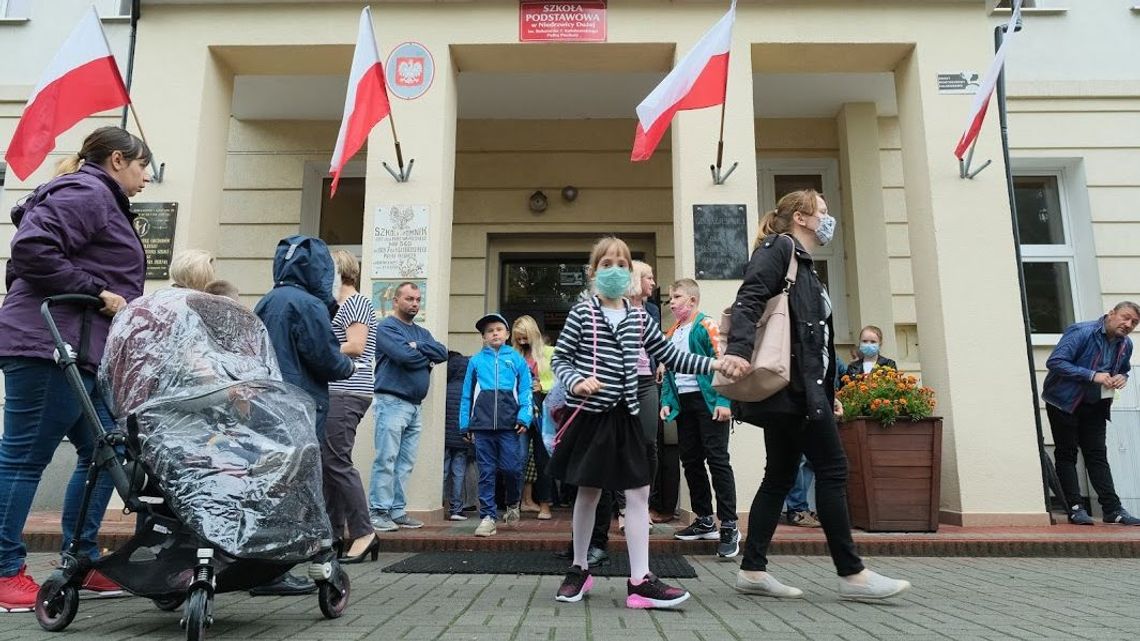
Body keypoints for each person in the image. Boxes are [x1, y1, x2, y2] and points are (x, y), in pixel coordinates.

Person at [723, 189, 910, 601]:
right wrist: (737, 351)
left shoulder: (806, 267)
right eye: (822, 212)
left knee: (779, 475)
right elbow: (749, 300)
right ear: (803, 217)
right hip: (793, 393)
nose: (828, 219)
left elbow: (817, 342)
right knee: (833, 469)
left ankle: (753, 570)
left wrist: (829, 390)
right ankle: (852, 574)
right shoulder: (780, 249)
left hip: (803, 391)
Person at [0, 126, 150, 611]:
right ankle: (3, 574)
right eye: (142, 164)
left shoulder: (96, 196)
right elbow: (29, 253)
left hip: (76, 349)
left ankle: (81, 562)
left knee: (107, 452)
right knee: (24, 460)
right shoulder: (87, 191)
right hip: (49, 348)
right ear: (116, 160)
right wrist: (95, 291)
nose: (146, 175)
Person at [548, 236, 734, 610]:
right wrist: (577, 382)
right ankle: (579, 569)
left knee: (638, 495)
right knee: (589, 492)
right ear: (593, 272)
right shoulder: (581, 312)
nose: (615, 271)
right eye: (607, 264)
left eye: (622, 264)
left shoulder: (637, 317)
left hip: (628, 415)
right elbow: (560, 360)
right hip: (593, 416)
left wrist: (714, 363)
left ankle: (639, 580)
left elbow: (670, 355)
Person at [253, 235, 355, 594]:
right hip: (298, 406)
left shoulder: (268, 300)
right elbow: (325, 359)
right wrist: (347, 364)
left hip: (266, 405)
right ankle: (274, 571)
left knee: (269, 483)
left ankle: (259, 567)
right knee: (292, 486)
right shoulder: (308, 304)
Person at [659, 278, 740, 558]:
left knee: (717, 460)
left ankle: (729, 525)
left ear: (692, 301)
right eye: (671, 297)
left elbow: (725, 363)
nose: (671, 302)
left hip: (709, 403)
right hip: (686, 404)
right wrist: (667, 401)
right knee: (691, 461)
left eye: (677, 297)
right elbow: (668, 372)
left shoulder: (708, 326)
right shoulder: (671, 333)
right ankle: (705, 519)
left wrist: (724, 400)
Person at [1042, 302, 1140, 526]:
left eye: (1134, 322)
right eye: (1125, 318)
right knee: (1067, 454)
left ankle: (1113, 510)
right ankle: (1075, 508)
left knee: (1097, 456)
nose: (1128, 324)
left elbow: (1123, 369)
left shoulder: (1126, 344)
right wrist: (1091, 375)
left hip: (1095, 404)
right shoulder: (1082, 332)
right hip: (1064, 401)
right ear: (1111, 313)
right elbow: (1055, 362)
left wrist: (1122, 377)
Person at [369, 282, 448, 532]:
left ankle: (397, 511)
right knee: (387, 458)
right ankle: (378, 511)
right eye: (409, 299)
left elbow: (443, 353)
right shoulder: (386, 327)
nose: (414, 303)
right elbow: (405, 357)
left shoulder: (421, 333)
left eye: (417, 299)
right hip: (391, 402)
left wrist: (419, 347)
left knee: (405, 462)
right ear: (395, 301)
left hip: (414, 406)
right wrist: (423, 357)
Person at [324, 250, 380, 563]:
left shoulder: (356, 302)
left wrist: (319, 348)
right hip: (336, 389)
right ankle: (333, 535)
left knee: (336, 462)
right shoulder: (337, 305)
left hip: (347, 390)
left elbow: (356, 345)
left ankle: (364, 532)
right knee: (328, 464)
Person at [460, 313, 533, 537]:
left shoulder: (517, 361)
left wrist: (524, 417)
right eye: (489, 331)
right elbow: (466, 395)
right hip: (481, 426)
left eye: (499, 329)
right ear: (483, 337)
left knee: (512, 468)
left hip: (510, 425)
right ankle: (488, 517)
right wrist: (465, 424)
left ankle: (513, 502)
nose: (494, 333)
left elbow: (525, 391)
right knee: (486, 472)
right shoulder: (475, 361)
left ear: (507, 334)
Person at [511, 315, 555, 520]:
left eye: (525, 338)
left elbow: (563, 382)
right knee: (517, 458)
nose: (522, 342)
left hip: (544, 410)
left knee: (543, 459)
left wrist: (543, 386)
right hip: (520, 411)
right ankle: (515, 504)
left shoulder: (550, 354)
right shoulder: (512, 355)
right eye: (518, 338)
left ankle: (545, 505)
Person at [443, 351, 472, 521]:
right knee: (459, 473)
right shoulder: (469, 390)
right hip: (462, 438)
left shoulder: (444, 388)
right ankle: (456, 509)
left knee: (443, 471)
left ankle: (440, 505)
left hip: (445, 438)